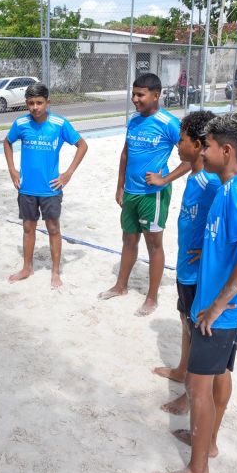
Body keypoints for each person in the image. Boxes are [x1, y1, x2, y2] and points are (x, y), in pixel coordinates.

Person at [152, 111, 237, 473]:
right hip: (220, 306)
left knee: (199, 389)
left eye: (211, 145)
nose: (204, 150)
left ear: (226, 150)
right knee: (217, 376)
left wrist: (216, 306)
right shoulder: (230, 185)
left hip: (221, 312)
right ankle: (209, 443)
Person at [147, 111, 221, 416]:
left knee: (194, 328)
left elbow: (226, 224)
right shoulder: (194, 173)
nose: (177, 146)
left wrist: (209, 250)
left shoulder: (212, 183)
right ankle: (180, 370)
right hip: (184, 267)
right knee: (184, 322)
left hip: (197, 273)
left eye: (182, 140)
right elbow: (186, 165)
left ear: (199, 144)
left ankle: (190, 395)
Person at [98, 73, 190, 316]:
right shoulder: (134, 120)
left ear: (156, 95)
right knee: (128, 239)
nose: (135, 99)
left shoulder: (168, 123)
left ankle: (152, 297)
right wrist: (120, 186)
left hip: (153, 195)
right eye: (133, 94)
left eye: (140, 95)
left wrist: (165, 179)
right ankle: (120, 286)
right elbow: (125, 154)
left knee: (153, 244)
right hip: (131, 192)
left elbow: (192, 157)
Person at [3, 83, 88, 289]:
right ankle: (27, 267)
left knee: (53, 228)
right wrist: (12, 169)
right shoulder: (21, 123)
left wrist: (67, 174)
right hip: (27, 188)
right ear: (26, 104)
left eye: (39, 103)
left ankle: (55, 271)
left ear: (47, 102)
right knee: (28, 227)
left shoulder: (59, 124)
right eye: (31, 103)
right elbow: (7, 142)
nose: (35, 107)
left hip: (50, 188)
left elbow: (82, 145)